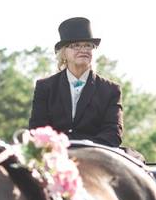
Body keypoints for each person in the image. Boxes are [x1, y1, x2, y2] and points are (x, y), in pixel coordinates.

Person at [28, 17, 123, 147]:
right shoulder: (45, 87)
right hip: (55, 154)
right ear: (63, 53)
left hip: (96, 155)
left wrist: (84, 147)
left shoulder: (110, 90)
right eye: (76, 45)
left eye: (88, 45)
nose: (83, 49)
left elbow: (112, 134)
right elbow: (37, 130)